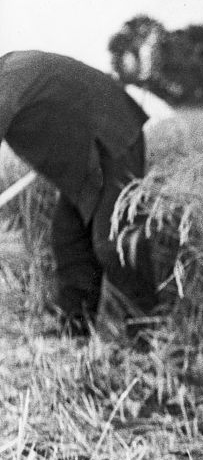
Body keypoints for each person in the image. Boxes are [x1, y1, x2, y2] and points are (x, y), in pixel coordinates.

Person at [0, 50, 158, 338]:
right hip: (83, 158)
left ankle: (147, 334)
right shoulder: (12, 74)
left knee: (112, 239)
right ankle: (76, 329)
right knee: (68, 236)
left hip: (113, 136)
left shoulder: (8, 79)